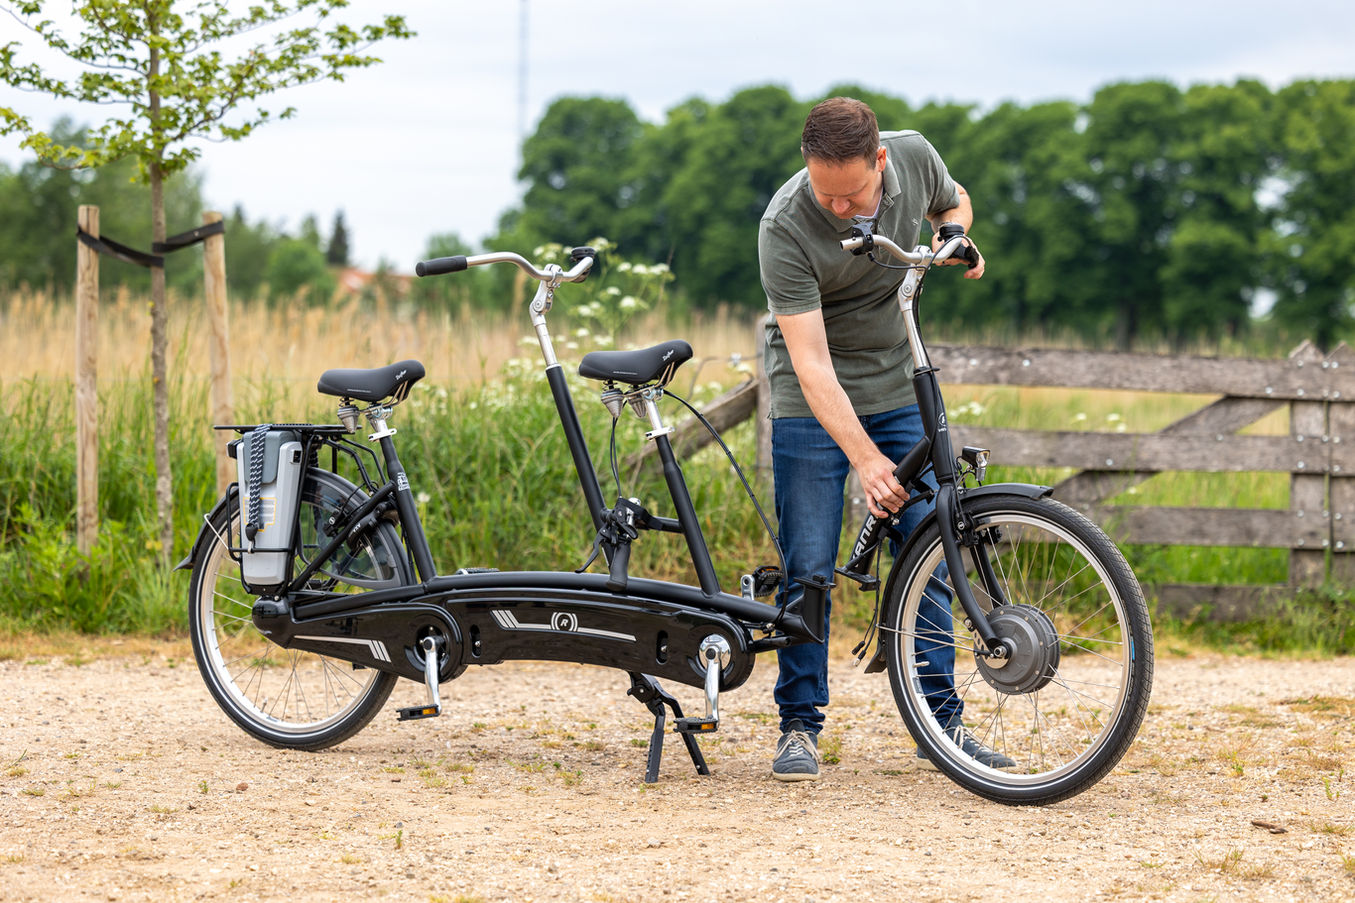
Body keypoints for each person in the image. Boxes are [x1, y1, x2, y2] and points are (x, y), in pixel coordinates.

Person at [759, 96, 1013, 781]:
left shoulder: (913, 153)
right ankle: (799, 725)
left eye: (853, 194)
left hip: (896, 384)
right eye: (824, 193)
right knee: (807, 565)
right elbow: (810, 365)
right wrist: (865, 460)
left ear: (879, 160)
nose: (839, 208)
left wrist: (955, 232)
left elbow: (951, 198)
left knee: (929, 548)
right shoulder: (784, 224)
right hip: (811, 399)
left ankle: (942, 723)